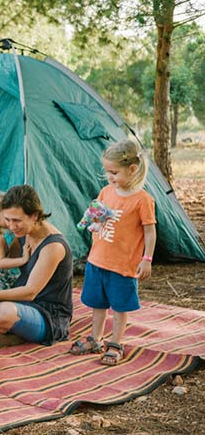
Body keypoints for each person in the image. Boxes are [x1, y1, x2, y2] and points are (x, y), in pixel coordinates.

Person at [69, 140, 156, 366]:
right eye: (107, 171)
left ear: (133, 169)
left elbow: (149, 232)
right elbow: (97, 214)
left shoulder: (143, 200)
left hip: (122, 265)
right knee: (97, 304)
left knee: (119, 306)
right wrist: (93, 221)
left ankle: (116, 342)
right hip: (97, 260)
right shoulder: (107, 191)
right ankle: (95, 338)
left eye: (114, 172)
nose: (110, 176)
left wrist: (147, 259)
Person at [0, 185, 74, 346]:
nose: (12, 226)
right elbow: (3, 259)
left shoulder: (53, 246)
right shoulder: (23, 233)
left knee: (0, 313)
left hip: (48, 315)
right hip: (20, 305)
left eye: (17, 220)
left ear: (34, 216)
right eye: (7, 220)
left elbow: (30, 292)